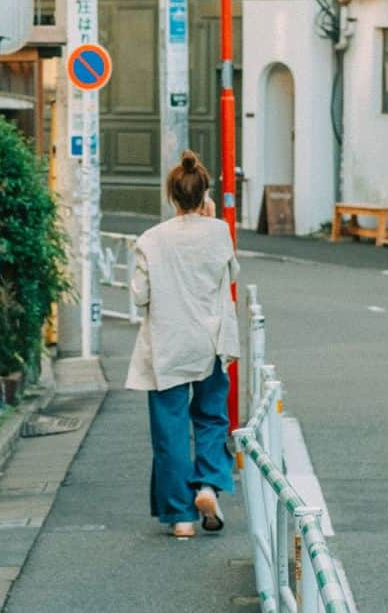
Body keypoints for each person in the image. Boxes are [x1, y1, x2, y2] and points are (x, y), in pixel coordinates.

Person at [125, 149, 240, 540]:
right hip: (209, 341)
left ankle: (181, 518)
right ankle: (207, 486)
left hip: (167, 344)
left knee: (170, 430)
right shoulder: (220, 232)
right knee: (210, 416)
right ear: (205, 194)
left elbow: (140, 296)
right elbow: (230, 274)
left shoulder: (151, 240)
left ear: (171, 196)